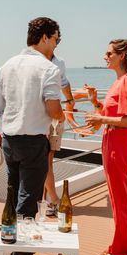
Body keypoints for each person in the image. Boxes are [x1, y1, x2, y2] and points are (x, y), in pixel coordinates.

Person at [0, 17, 65, 255]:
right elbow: (53, 107)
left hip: (9, 139)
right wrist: (62, 116)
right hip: (33, 141)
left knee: (13, 192)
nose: (56, 44)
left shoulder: (8, 65)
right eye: (56, 38)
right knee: (28, 197)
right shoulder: (48, 69)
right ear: (44, 37)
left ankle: (10, 242)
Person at [84, 39, 127, 255]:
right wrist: (96, 104)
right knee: (121, 193)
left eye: (109, 53)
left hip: (119, 141)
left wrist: (101, 118)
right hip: (113, 138)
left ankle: (120, 248)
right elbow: (117, 114)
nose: (105, 56)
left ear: (122, 56)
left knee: (119, 195)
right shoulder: (120, 82)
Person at [43, 54, 75, 217]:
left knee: (43, 159)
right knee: (47, 159)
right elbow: (64, 83)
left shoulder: (28, 60)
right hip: (53, 116)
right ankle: (53, 200)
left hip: (35, 117)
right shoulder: (58, 63)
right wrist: (69, 99)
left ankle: (46, 200)